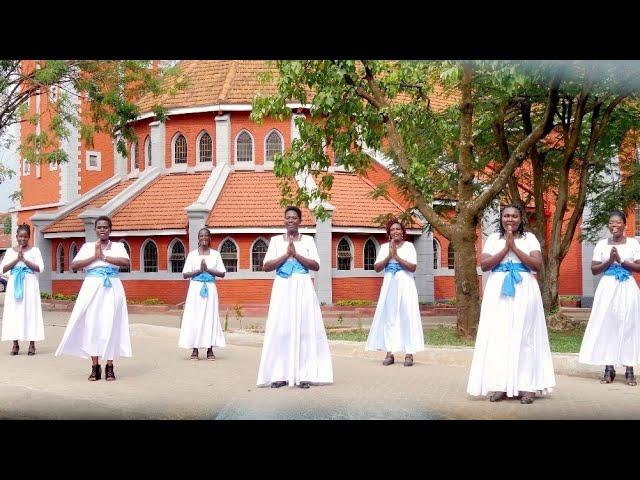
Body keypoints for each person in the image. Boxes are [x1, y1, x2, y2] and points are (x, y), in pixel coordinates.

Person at [467, 204, 555, 404]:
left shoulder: (529, 238)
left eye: (514, 216)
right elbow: (485, 264)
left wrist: (514, 247)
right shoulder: (492, 239)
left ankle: (527, 386)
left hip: (524, 288)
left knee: (525, 336)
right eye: (506, 215)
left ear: (520, 218)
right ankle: (501, 385)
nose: (510, 219)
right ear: (501, 218)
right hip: (498, 290)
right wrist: (505, 248)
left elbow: (536, 265)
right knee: (500, 336)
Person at [256, 206, 333, 389]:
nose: (290, 220)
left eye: (294, 218)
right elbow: (266, 266)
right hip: (282, 286)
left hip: (302, 286)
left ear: (300, 221)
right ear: (284, 220)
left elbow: (315, 265)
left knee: (304, 329)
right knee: (281, 329)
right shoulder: (275, 241)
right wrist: (286, 254)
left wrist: (296, 254)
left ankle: (304, 374)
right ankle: (279, 374)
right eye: (287, 217)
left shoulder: (308, 241)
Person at [55, 216, 131, 381]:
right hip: (92, 287)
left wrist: (104, 257)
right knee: (92, 325)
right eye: (99, 227)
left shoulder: (118, 246)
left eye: (105, 227)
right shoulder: (88, 246)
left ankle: (109, 366)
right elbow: (74, 265)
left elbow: (125, 262)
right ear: (95, 230)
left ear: (110, 230)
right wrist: (95, 256)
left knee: (111, 324)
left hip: (112, 287)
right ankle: (95, 366)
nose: (102, 229)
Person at [578, 210, 640, 386]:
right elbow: (594, 269)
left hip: (627, 286)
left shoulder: (633, 244)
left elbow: (638, 267)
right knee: (607, 325)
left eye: (618, 222)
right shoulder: (601, 244)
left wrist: (620, 260)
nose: (614, 225)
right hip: (607, 288)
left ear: (625, 225)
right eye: (611, 223)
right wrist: (609, 260)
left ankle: (629, 370)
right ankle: (609, 368)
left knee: (629, 326)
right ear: (608, 225)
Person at [365, 219, 424, 366]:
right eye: (392, 230)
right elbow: (377, 268)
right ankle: (390, 352)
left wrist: (397, 257)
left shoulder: (409, 246)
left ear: (403, 232)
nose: (395, 231)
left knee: (407, 316)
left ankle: (409, 353)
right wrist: (389, 256)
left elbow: (412, 267)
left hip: (405, 284)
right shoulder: (385, 247)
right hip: (389, 284)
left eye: (398, 229)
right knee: (390, 317)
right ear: (389, 233)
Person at [179, 228, 226, 360]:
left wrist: (208, 270)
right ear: (198, 238)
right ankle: (195, 349)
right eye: (201, 235)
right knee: (194, 317)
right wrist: (199, 270)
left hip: (210, 289)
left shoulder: (216, 254)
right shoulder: (192, 255)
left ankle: (209, 349)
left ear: (210, 238)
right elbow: (185, 274)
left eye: (206, 235)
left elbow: (222, 273)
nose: (203, 237)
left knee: (209, 317)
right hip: (195, 289)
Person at [0, 224, 45, 355]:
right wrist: (17, 259)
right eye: (20, 236)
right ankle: (15, 344)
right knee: (14, 312)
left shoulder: (35, 251)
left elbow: (40, 268)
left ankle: (32, 344)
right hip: (15, 284)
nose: (23, 239)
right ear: (16, 237)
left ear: (29, 237)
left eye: (25, 237)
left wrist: (24, 260)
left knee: (31, 312)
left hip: (30, 284)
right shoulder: (9, 252)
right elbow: (3, 269)